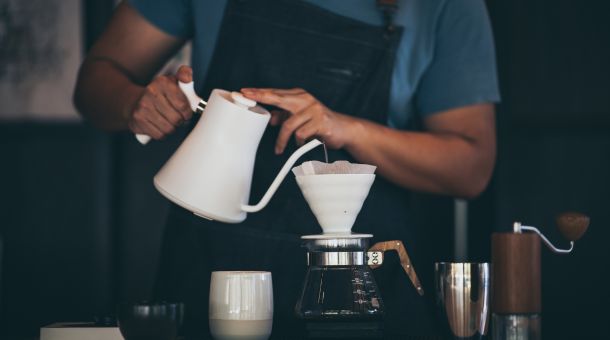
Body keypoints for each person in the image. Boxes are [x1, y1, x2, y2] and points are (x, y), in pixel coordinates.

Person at [74, 0, 499, 338]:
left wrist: (346, 128)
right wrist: (134, 103)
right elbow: (94, 84)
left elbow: (471, 167)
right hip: (212, 268)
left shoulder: (446, 6)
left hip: (357, 284)